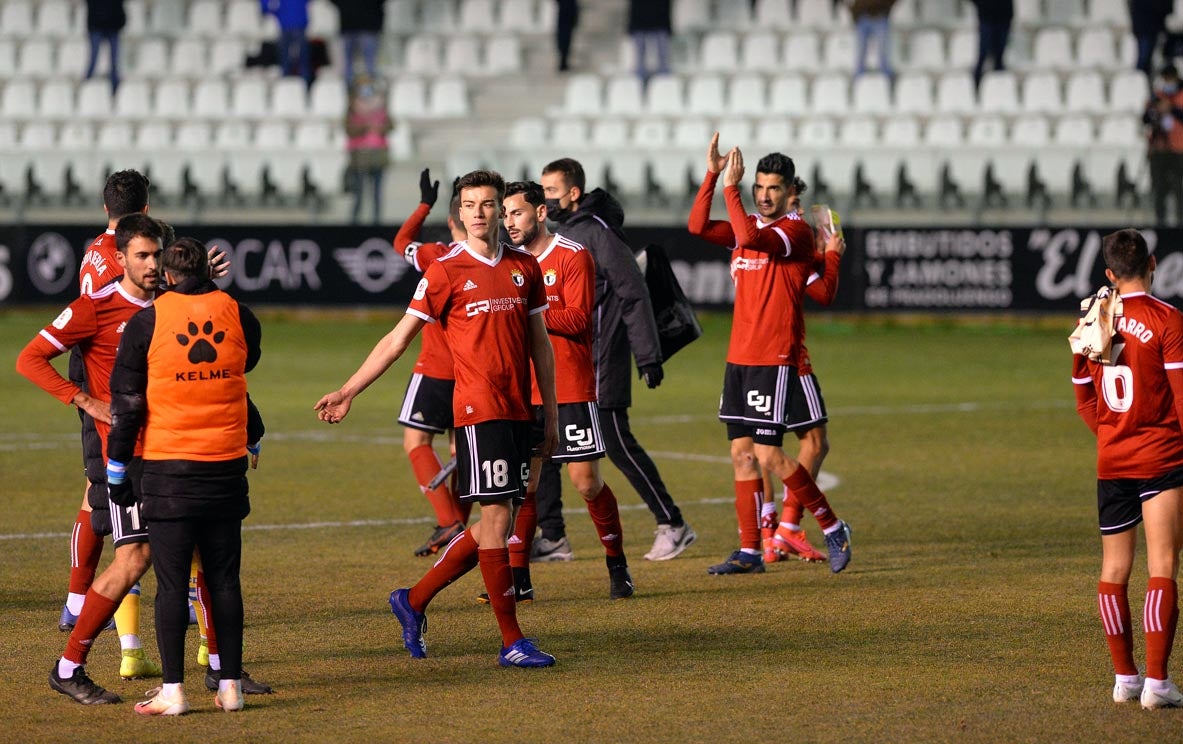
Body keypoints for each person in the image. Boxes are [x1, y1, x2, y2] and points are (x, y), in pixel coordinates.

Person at [315, 169, 559, 668]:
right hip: (476, 410)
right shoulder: (445, 270)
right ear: (460, 211)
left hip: (519, 410)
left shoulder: (524, 268)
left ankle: (413, 599)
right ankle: (511, 640)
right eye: (470, 205)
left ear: (499, 210)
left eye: (488, 204)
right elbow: (398, 338)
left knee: (498, 523)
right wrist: (348, 390)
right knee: (496, 525)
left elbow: (541, 346)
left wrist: (549, 413)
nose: (479, 213)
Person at [108, 237, 264, 715]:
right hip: (223, 468)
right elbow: (246, 363)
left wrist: (116, 467)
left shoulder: (147, 321)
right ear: (209, 272)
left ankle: (173, 691)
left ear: (167, 275)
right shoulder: (237, 311)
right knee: (224, 582)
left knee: (173, 585)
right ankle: (230, 686)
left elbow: (127, 405)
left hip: (168, 471)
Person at [687, 133, 852, 575]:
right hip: (738, 358)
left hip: (774, 358)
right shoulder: (753, 232)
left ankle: (832, 527)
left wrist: (730, 190)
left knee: (769, 456)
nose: (763, 195)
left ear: (788, 192)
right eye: (758, 188)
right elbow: (697, 227)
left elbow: (750, 237)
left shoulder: (794, 233)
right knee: (741, 454)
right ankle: (749, 552)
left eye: (772, 188)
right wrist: (712, 174)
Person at [18, 214, 164, 706]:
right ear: (119, 258)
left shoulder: (171, 304)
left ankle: (223, 671)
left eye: (157, 254)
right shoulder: (94, 308)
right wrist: (83, 399)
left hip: (172, 448)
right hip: (126, 455)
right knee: (134, 559)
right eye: (142, 255)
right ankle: (69, 664)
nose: (152, 264)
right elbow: (29, 358)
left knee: (204, 547)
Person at [539, 157, 696, 562]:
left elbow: (633, 291)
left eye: (552, 192)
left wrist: (647, 355)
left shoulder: (597, 233)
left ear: (574, 193)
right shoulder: (569, 233)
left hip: (602, 360)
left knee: (617, 443)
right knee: (548, 447)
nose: (547, 200)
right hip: (574, 363)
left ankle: (673, 524)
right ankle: (553, 537)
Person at [497, 180, 634, 602]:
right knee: (527, 486)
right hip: (525, 389)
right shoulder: (506, 263)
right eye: (505, 214)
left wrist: (528, 308)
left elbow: (578, 320)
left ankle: (617, 564)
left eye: (516, 212)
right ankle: (519, 579)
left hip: (570, 387)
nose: (509, 222)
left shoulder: (573, 256)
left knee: (586, 481)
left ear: (540, 213)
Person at [1071, 228, 1183, 709]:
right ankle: (1157, 682)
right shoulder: (1168, 320)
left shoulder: (1092, 321)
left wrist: (1112, 436)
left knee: (1114, 569)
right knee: (1163, 566)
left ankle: (1125, 678)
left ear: (1110, 273)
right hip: (1160, 458)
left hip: (1112, 460)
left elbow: (1083, 399)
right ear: (1153, 263)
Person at [760, 177, 845, 565]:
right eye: (793, 202)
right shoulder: (791, 241)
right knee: (812, 443)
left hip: (749, 353)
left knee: (755, 445)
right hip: (787, 355)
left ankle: (764, 535)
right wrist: (832, 253)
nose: (797, 212)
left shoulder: (758, 235)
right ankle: (788, 529)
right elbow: (823, 293)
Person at [392, 169, 468, 556]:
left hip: (436, 369)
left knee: (417, 441)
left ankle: (448, 522)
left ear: (451, 221)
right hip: (473, 373)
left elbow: (401, 242)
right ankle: (463, 528)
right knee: (461, 451)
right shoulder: (496, 262)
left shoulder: (436, 256)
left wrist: (424, 204)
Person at [346, 77, 392, 225]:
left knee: (376, 195)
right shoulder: (351, 109)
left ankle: (376, 225)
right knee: (358, 195)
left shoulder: (382, 108)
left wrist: (379, 127)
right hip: (359, 158)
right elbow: (349, 129)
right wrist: (367, 126)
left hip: (378, 156)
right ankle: (354, 225)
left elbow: (390, 126)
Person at [1144, 64, 1183, 227]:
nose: (1167, 82)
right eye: (1165, 79)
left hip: (1179, 149)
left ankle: (1180, 223)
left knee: (1180, 189)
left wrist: (1171, 109)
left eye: (1169, 79)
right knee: (1159, 188)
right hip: (1159, 148)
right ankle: (1160, 224)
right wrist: (1153, 111)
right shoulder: (1157, 96)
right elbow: (1146, 119)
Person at [332, 0, 384, 89]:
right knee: (368, 64)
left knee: (352, 65)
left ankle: (352, 91)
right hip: (367, 24)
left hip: (351, 23)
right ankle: (366, 91)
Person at [262, 0, 312, 85]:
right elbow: (265, 5)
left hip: (295, 24)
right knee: (288, 59)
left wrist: (271, 10)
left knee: (299, 59)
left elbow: (265, 6)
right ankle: (291, 84)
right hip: (289, 24)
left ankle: (302, 83)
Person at [970, 0, 1013, 89]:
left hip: (1004, 15)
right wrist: (981, 4)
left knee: (1000, 56)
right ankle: (975, 88)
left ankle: (999, 88)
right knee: (983, 54)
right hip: (987, 16)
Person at [849, 0, 896, 80]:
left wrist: (886, 8)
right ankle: (858, 76)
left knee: (883, 48)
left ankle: (886, 76)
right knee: (860, 49)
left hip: (880, 16)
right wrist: (854, 12)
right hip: (863, 17)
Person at [85, 0, 125, 91]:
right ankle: (86, 86)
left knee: (114, 61)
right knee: (93, 59)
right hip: (96, 23)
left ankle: (115, 89)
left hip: (112, 25)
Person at [628, 0, 671, 84]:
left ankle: (664, 82)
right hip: (640, 12)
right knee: (640, 58)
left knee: (662, 56)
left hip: (660, 12)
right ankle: (640, 81)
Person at [1131, 0, 1173, 79]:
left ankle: (1147, 82)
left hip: (1155, 30)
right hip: (1144, 30)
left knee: (1152, 61)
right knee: (1143, 60)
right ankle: (1139, 82)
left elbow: (1166, 8)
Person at [556, 0, 579, 72]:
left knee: (565, 40)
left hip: (565, 17)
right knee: (564, 40)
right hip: (565, 17)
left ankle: (563, 62)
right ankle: (563, 62)